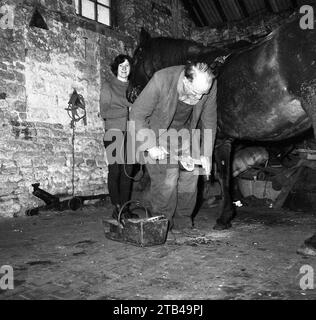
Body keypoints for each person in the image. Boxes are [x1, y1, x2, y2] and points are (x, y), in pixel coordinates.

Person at [129, 60, 217, 232]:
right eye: (195, 92)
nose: (199, 98)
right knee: (167, 180)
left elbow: (209, 121)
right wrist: (150, 145)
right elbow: (137, 114)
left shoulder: (208, 85)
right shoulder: (161, 80)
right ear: (185, 80)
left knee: (191, 176)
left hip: (186, 133)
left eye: (203, 94)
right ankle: (162, 223)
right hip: (158, 133)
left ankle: (183, 222)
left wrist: (206, 154)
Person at [100, 54, 138, 220]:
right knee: (115, 171)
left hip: (130, 134)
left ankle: (125, 208)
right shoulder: (108, 86)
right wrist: (127, 110)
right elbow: (105, 112)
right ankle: (117, 208)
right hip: (114, 133)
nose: (124, 68)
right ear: (116, 68)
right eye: (121, 65)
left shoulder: (134, 87)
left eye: (127, 65)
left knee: (127, 173)